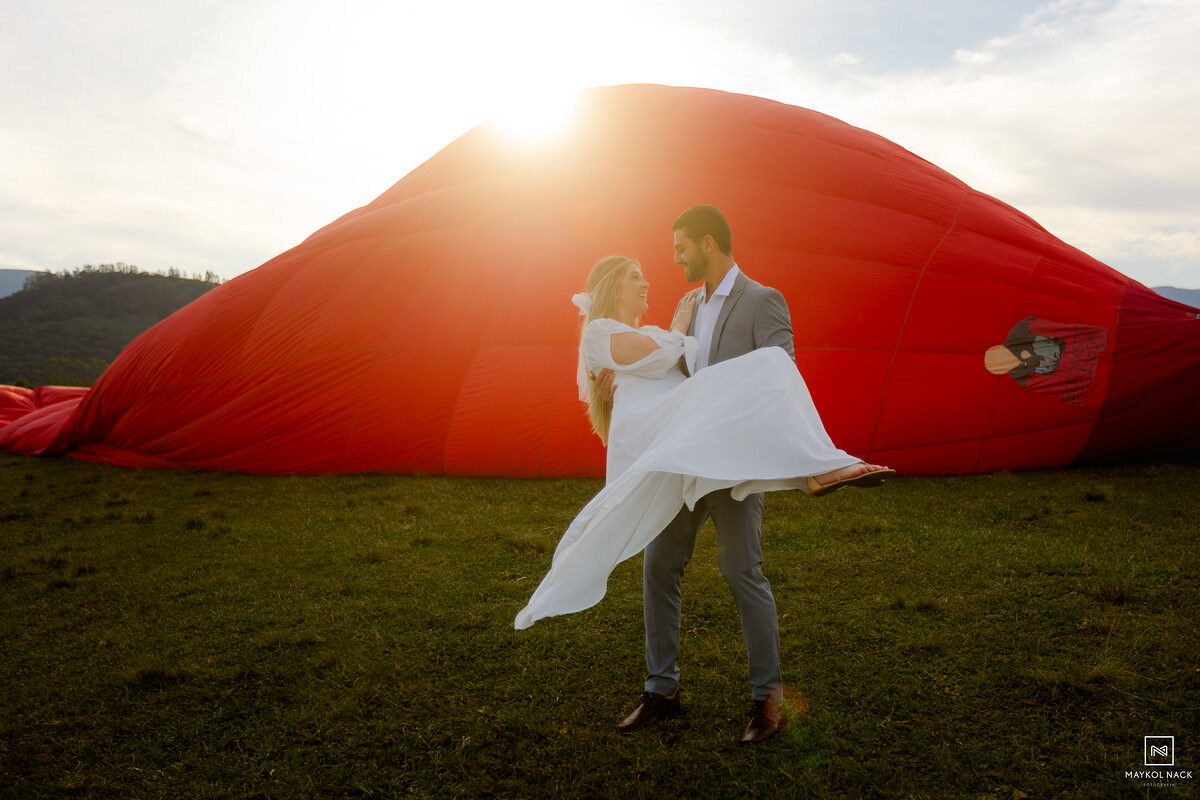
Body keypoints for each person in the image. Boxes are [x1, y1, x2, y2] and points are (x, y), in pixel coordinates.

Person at [513, 206, 893, 745]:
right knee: (658, 567)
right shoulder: (685, 309)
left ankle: (767, 699)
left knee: (743, 572)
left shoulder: (763, 300)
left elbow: (781, 373)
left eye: (680, 248)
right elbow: (665, 373)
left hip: (731, 462)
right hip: (683, 459)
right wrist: (618, 386)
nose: (674, 259)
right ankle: (660, 689)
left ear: (707, 243)